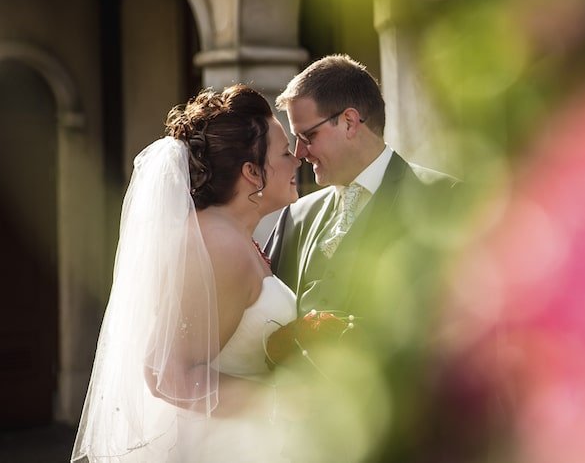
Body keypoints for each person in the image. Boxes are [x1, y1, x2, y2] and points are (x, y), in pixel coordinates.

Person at [71, 84, 302, 463]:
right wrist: (286, 399)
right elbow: (167, 375)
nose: (297, 161)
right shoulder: (219, 246)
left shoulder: (231, 236)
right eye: (285, 152)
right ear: (251, 172)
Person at [265, 54, 455, 319]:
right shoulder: (296, 216)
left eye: (308, 136)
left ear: (350, 122)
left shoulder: (441, 198)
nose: (300, 153)